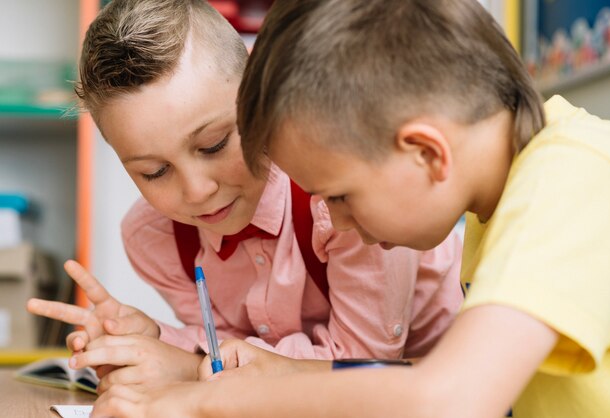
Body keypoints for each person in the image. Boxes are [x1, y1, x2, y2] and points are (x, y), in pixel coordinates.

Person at [89, 0, 610, 417]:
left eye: (340, 197)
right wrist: (268, 375)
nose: (336, 221)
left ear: (426, 153)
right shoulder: (512, 196)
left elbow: (447, 400)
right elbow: (433, 375)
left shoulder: (575, 176)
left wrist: (198, 400)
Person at [27, 0, 463, 394]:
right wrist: (150, 338)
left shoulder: (343, 200)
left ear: (256, 95)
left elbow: (363, 365)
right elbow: (229, 347)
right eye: (153, 172)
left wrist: (181, 365)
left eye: (215, 144)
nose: (197, 191)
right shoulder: (153, 237)